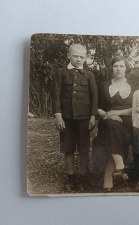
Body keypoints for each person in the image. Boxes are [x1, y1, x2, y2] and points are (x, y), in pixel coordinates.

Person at [52, 44, 98, 191]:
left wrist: (93, 115)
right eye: (76, 56)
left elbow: (94, 96)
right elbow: (56, 96)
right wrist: (58, 115)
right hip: (67, 118)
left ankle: (83, 177)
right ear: (69, 56)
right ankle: (71, 177)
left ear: (86, 58)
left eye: (82, 57)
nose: (79, 59)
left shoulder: (89, 75)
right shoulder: (61, 73)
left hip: (84, 118)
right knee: (68, 148)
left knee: (84, 148)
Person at [97, 56, 138, 192]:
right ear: (111, 68)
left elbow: (137, 107)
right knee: (110, 125)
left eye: (121, 66)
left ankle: (108, 177)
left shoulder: (134, 84)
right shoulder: (103, 85)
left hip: (128, 121)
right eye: (115, 66)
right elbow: (98, 107)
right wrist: (108, 114)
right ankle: (119, 166)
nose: (118, 69)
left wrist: (117, 113)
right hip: (107, 121)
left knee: (112, 128)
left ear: (126, 68)